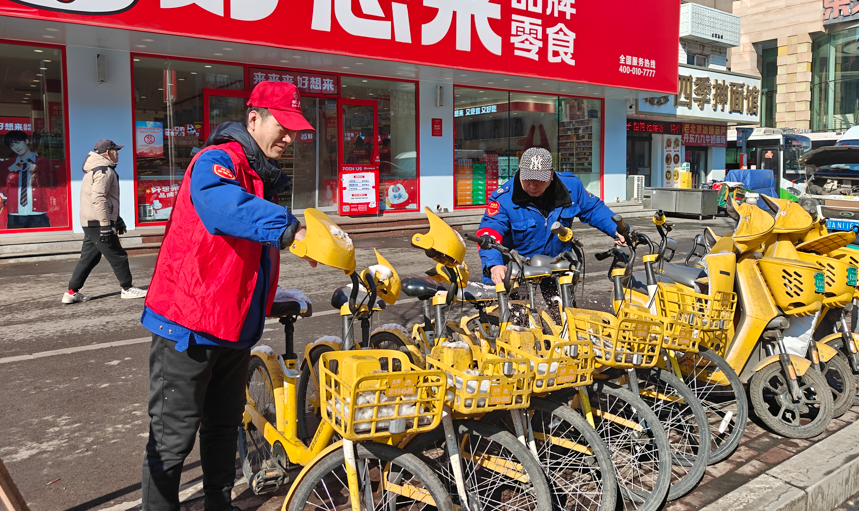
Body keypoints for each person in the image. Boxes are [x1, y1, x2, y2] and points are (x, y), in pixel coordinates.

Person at [139, 80, 316, 511]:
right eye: (282, 126)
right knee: (173, 437)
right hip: (188, 323)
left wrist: (269, 293)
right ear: (253, 119)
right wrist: (289, 229)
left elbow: (242, 253)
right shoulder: (218, 160)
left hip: (234, 324)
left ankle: (219, 504)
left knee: (222, 425)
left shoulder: (261, 173)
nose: (288, 138)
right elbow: (222, 206)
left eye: (294, 130)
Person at [476, 147, 624, 285]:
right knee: (515, 304)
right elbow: (489, 232)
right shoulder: (503, 199)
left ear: (551, 174)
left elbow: (594, 209)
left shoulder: (571, 187)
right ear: (520, 170)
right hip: (516, 270)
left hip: (556, 265)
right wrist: (494, 265)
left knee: (562, 305)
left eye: (539, 180)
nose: (532, 185)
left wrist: (618, 229)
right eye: (527, 178)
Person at [63, 140, 147, 303]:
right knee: (118, 255)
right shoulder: (104, 171)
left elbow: (106, 200)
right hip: (98, 222)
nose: (118, 155)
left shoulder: (96, 169)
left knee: (89, 258)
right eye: (116, 151)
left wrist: (116, 219)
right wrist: (105, 225)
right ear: (108, 152)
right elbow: (99, 198)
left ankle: (72, 292)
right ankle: (127, 288)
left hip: (91, 221)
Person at [1, 130, 59, 229]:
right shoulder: (7, 164)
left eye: (18, 142)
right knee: (16, 238)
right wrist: (9, 172)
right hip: (15, 214)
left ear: (26, 141)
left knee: (42, 237)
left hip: (39, 213)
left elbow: (53, 185)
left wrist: (38, 169)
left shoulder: (44, 162)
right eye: (12, 145)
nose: (16, 147)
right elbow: (2, 189)